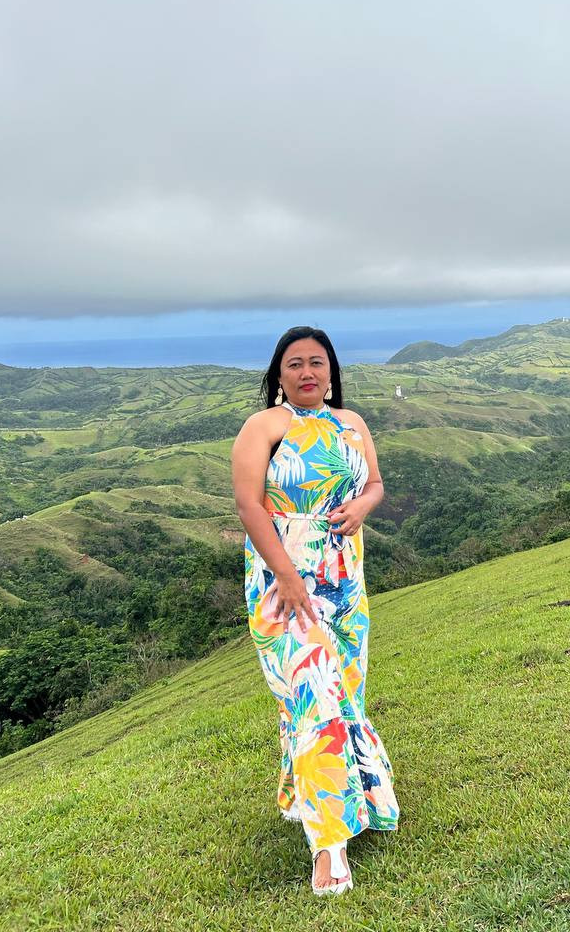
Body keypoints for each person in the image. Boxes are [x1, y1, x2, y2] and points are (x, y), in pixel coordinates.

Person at [231, 326, 400, 896]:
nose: (307, 372)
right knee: (313, 696)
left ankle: (303, 794)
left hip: (344, 580)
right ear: (278, 376)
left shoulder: (352, 424)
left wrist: (363, 506)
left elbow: (375, 483)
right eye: (295, 363)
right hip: (282, 582)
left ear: (331, 372)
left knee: (340, 693)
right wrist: (286, 574)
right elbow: (249, 506)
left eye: (317, 363)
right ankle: (330, 844)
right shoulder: (264, 427)